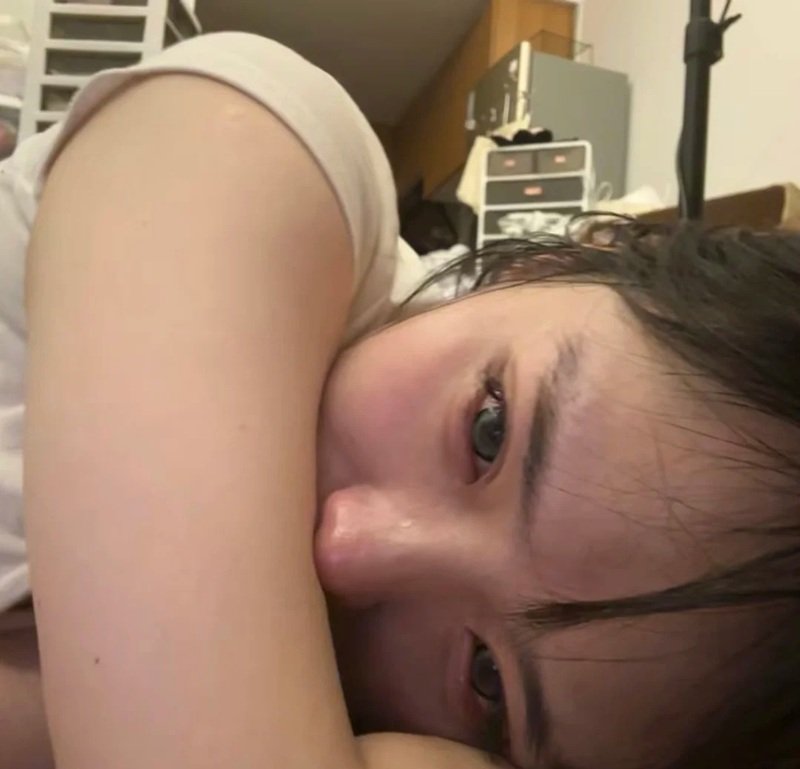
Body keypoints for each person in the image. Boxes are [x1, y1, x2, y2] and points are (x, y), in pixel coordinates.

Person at [0, 31, 798, 769]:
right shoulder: (262, 153)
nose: (346, 549)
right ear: (544, 267)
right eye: (489, 431)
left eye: (486, 678)